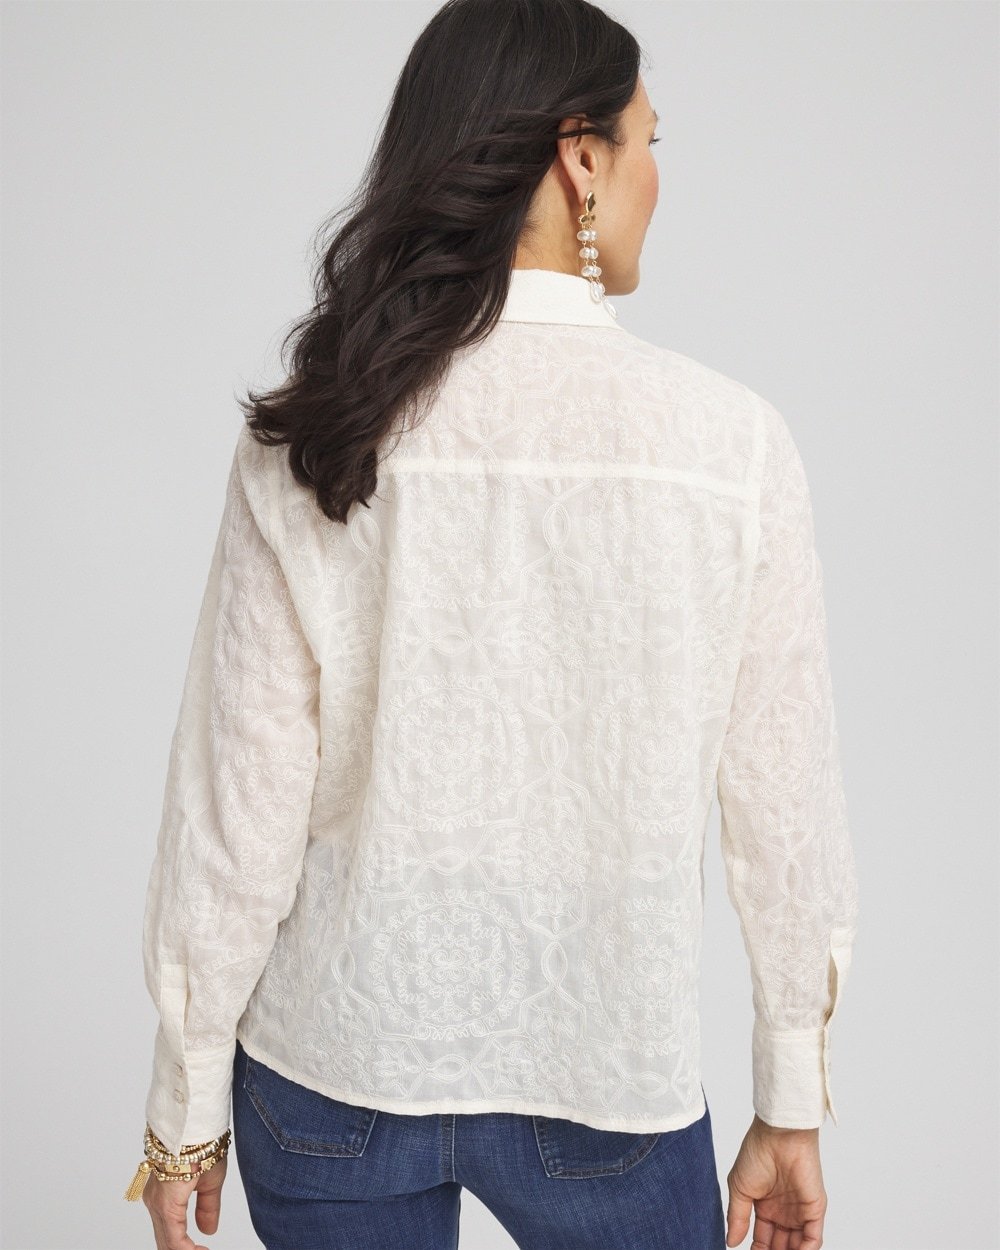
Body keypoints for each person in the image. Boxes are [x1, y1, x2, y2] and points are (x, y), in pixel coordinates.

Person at [124, 1, 859, 1247]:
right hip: (603, 1072)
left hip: (332, 1069)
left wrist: (185, 1099)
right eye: (648, 141)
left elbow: (233, 809)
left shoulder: (318, 428)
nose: (656, 175)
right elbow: (784, 802)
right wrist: (790, 1093)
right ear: (581, 160)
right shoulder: (729, 446)